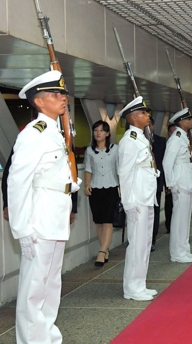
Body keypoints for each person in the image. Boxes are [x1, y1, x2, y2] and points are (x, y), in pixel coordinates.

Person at [8, 70, 81, 343]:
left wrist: (70, 184)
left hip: (56, 217)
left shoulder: (55, 132)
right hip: (38, 221)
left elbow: (49, 173)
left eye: (62, 93)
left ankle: (47, 335)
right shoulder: (33, 134)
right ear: (39, 102)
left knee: (51, 285)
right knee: (34, 288)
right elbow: (18, 183)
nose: (63, 98)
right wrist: (22, 229)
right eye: (55, 94)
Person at [118, 96, 159, 301]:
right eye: (143, 113)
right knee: (136, 244)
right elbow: (124, 174)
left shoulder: (141, 138)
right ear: (133, 117)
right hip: (137, 200)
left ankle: (139, 284)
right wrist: (128, 204)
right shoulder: (129, 141)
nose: (146, 116)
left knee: (145, 243)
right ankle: (132, 288)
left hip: (147, 197)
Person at [163, 108, 192, 263]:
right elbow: (166, 163)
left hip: (186, 180)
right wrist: (171, 184)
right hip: (179, 182)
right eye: (189, 119)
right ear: (182, 121)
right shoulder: (176, 138)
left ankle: (184, 249)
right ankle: (177, 253)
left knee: (185, 218)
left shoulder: (183, 136)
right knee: (179, 219)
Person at [84, 120, 120, 266]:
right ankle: (105, 249)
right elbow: (88, 169)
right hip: (95, 189)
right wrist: (86, 184)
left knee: (108, 221)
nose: (98, 133)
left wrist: (122, 187)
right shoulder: (89, 151)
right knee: (98, 221)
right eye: (95, 130)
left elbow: (119, 169)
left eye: (101, 130)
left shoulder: (115, 149)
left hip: (111, 188)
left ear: (107, 133)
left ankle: (102, 251)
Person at [149, 118, 167, 252]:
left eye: (150, 124)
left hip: (156, 182)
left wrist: (167, 184)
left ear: (154, 126)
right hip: (141, 185)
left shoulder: (161, 141)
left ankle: (152, 239)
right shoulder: (137, 140)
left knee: (154, 212)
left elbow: (164, 163)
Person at [164, 123, 177, 234]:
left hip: (176, 180)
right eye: (171, 131)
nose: (173, 134)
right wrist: (168, 183)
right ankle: (169, 226)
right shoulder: (168, 143)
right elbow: (166, 164)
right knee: (169, 206)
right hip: (169, 181)